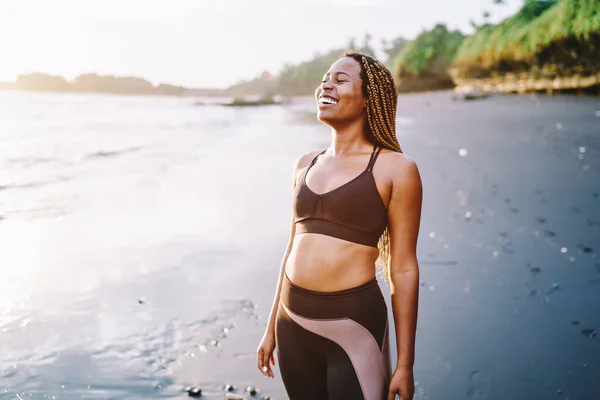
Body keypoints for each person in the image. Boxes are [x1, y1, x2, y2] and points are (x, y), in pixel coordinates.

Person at [256, 51, 422, 400]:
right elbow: (291, 249)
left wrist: (405, 364)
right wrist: (271, 325)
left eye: (340, 79)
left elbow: (403, 268)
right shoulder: (304, 163)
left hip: (353, 329)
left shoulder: (395, 168)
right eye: (324, 79)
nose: (326, 84)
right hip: (292, 324)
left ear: (367, 99)